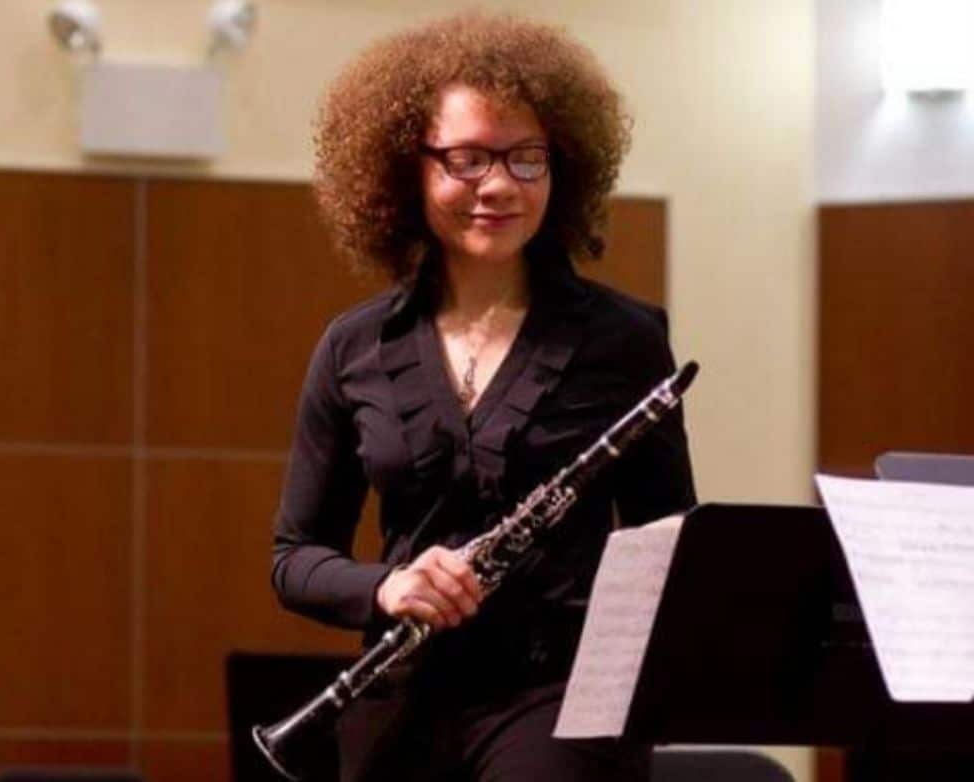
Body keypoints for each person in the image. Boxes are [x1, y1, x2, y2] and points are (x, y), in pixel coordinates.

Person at [270, 12, 696, 782]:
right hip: (398, 700)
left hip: (560, 703)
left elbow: (667, 550)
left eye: (526, 158)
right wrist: (388, 586)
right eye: (465, 159)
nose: (497, 185)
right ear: (411, 169)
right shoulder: (355, 348)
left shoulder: (625, 342)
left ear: (560, 167)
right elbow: (295, 559)